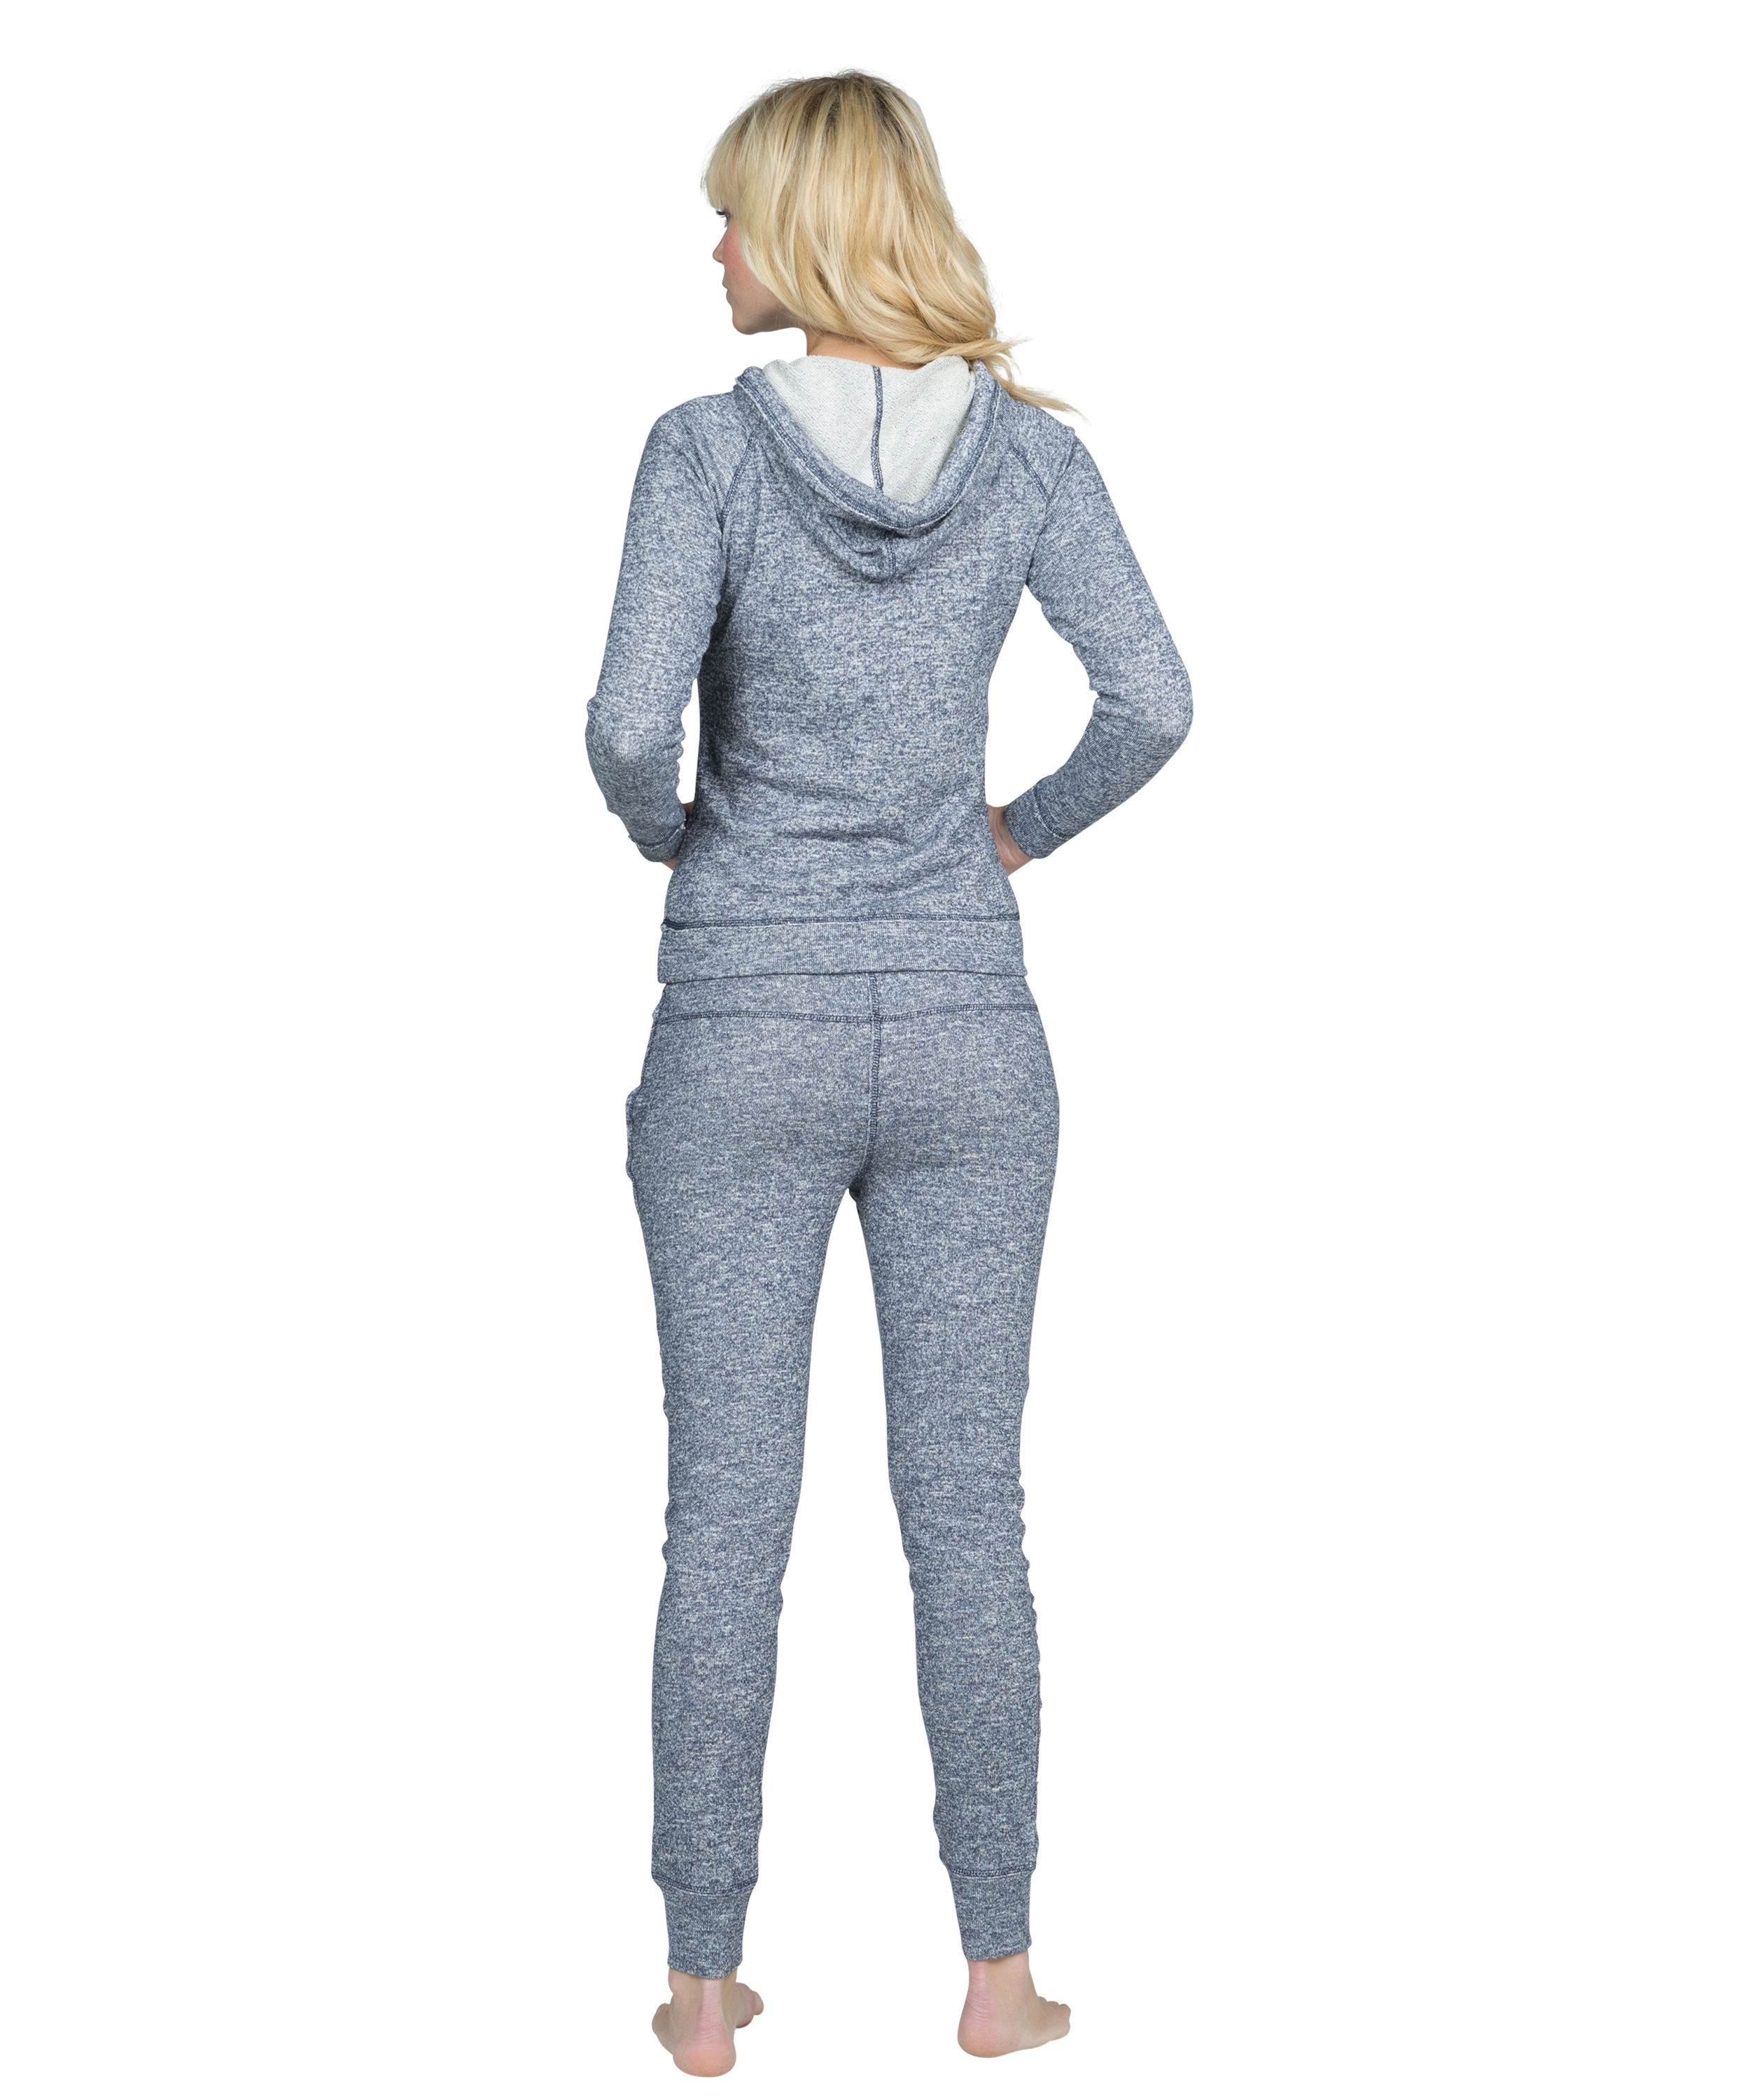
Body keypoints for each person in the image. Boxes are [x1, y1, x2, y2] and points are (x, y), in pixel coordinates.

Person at [587, 70, 1192, 2074]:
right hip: (964, 1033)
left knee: (723, 1519)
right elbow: (1155, 700)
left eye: (734, 217)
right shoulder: (1029, 460)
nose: (715, 251)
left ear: (805, 232)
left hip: (738, 1024)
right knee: (968, 1516)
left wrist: (688, 844)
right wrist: (1006, 834)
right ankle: (1000, 1979)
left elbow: (624, 728)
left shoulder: (701, 453)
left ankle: (700, 1987)